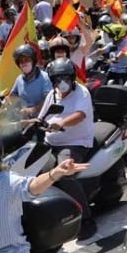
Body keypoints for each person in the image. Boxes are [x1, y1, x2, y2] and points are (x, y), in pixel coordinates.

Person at [37, 58, 98, 241]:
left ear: (72, 78)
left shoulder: (82, 92)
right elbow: (42, 117)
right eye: (57, 79)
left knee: (65, 173)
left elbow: (80, 115)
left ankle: (87, 220)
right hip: (51, 143)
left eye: (65, 78)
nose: (62, 83)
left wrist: (61, 123)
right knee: (34, 171)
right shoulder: (52, 95)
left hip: (76, 143)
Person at [8, 44, 51, 117]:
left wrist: (33, 110)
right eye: (21, 61)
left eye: (27, 60)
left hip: (41, 119)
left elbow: (48, 100)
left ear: (33, 60)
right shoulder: (19, 79)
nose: (24, 63)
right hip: (23, 120)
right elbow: (13, 95)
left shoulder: (45, 77)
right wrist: (6, 102)